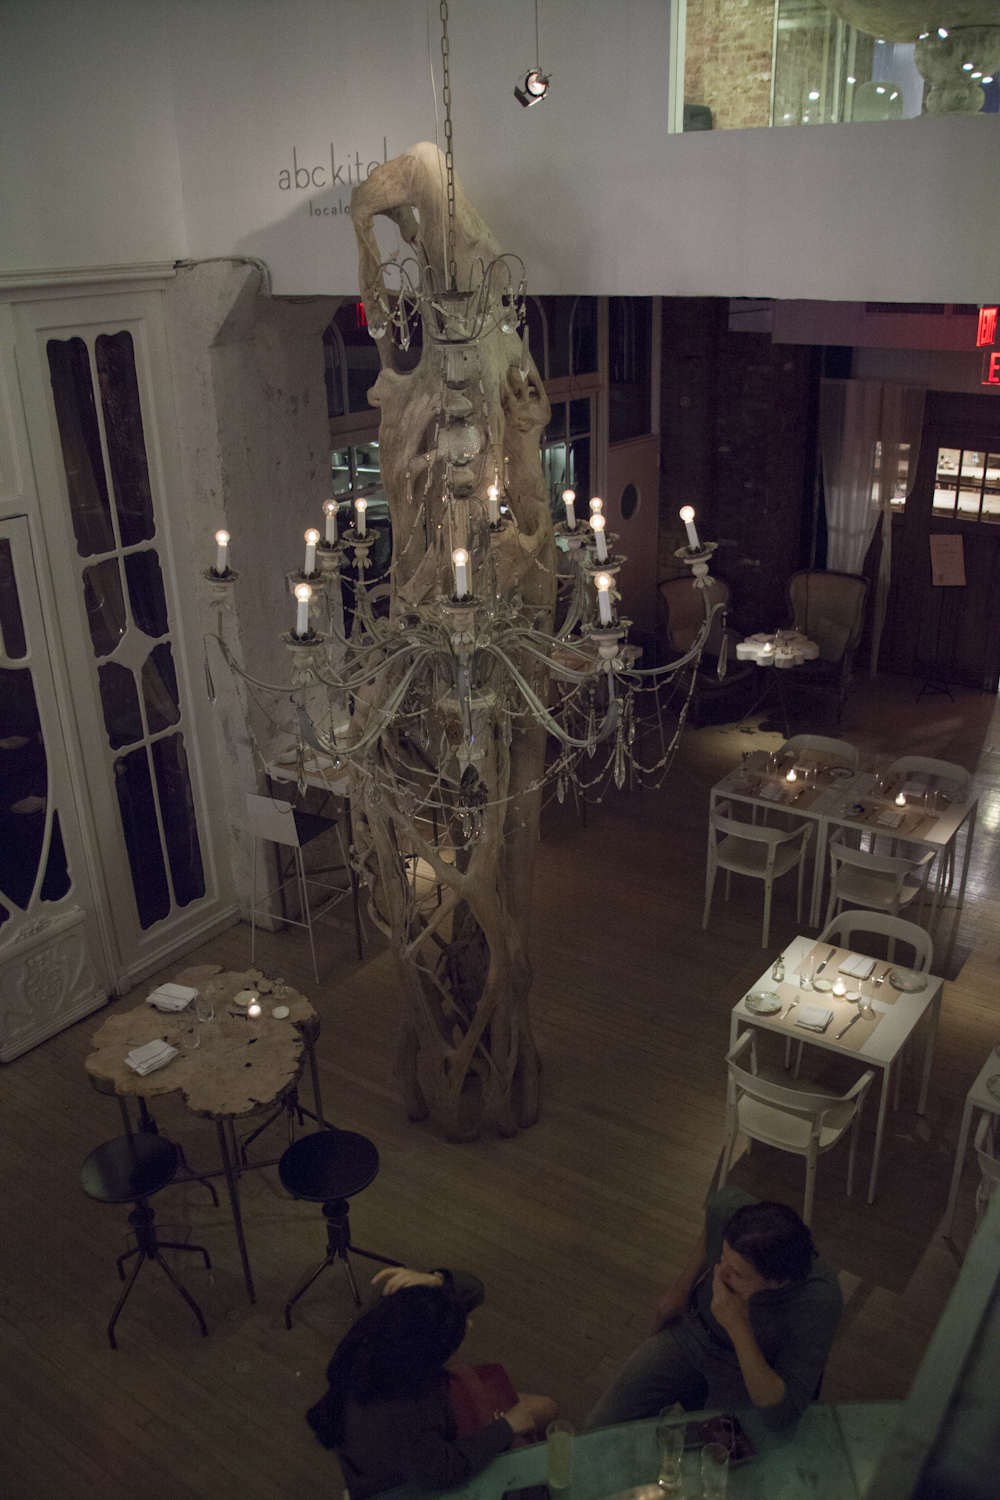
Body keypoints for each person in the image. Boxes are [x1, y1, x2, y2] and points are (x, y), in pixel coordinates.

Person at [586, 1188, 842, 1436]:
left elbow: (781, 1414)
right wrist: (682, 1287)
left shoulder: (818, 1298)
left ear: (777, 1282)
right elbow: (712, 1225)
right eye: (722, 1258)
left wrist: (737, 1326)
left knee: (718, 1454)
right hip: (693, 1331)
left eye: (737, 1273)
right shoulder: (728, 1208)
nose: (719, 1273)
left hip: (749, 1365)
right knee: (598, 1427)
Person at [307, 1267, 557, 1499]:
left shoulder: (381, 1322)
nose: (469, 1324)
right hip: (409, 1482)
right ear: (428, 1360)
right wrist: (506, 1427)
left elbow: (475, 1290)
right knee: (543, 1415)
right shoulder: (403, 1415)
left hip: (425, 1441)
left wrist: (436, 1280)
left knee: (544, 1408)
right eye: (457, 1333)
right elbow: (443, 1470)